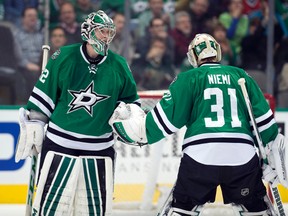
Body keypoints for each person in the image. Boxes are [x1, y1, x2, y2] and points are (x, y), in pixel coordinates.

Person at [109, 33, 288, 215]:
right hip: (241, 157)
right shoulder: (240, 76)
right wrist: (270, 157)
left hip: (201, 157)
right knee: (255, 208)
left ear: (193, 56)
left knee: (182, 208)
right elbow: (265, 123)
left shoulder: (189, 78)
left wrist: (142, 132)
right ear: (217, 52)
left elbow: (164, 122)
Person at [15, 10, 140, 215]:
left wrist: (129, 117)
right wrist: (35, 122)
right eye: (102, 32)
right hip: (60, 143)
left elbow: (131, 105)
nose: (106, 37)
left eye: (109, 32)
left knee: (92, 210)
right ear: (88, 32)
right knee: (51, 209)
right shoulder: (64, 57)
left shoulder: (119, 65)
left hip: (100, 149)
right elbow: (43, 97)